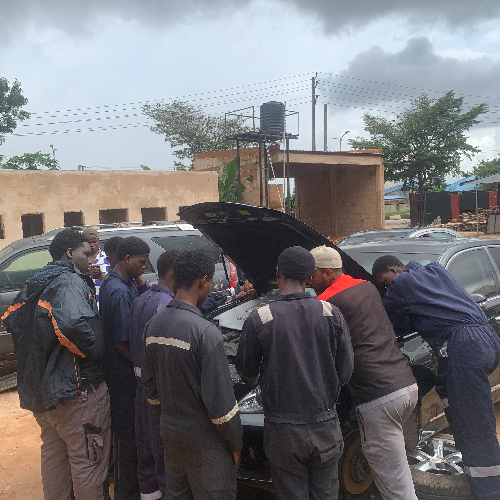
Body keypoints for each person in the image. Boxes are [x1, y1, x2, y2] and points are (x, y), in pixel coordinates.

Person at [372, 255, 500, 500]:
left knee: (475, 421)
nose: (387, 288)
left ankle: (490, 491)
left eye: (385, 282)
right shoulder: (434, 271)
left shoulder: (402, 284)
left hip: (463, 344)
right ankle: (474, 471)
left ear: (393, 271)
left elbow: (384, 318)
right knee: (456, 404)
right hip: (486, 338)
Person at [235, 246, 354, 500]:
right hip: (325, 426)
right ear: (310, 277)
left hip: (283, 432)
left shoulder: (260, 318)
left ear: (278, 272)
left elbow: (246, 371)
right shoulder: (331, 313)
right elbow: (345, 371)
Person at [2, 229, 111, 500]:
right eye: (86, 252)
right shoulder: (69, 281)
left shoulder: (37, 281)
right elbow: (72, 324)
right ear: (70, 253)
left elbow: (11, 319)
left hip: (43, 394)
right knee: (87, 463)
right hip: (76, 393)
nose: (91, 258)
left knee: (55, 458)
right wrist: (93, 354)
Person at [308, 245, 418, 500]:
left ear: (327, 273)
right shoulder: (367, 287)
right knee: (395, 467)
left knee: (394, 482)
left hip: (377, 397)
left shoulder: (326, 303)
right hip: (405, 385)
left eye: (312, 275)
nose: (309, 282)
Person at [141, 250, 242, 500]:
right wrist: (235, 443)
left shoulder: (153, 326)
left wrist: (168, 420)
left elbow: (150, 389)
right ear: (203, 281)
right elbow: (220, 406)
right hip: (206, 442)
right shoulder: (205, 333)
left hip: (170, 434)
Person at [99, 236, 151, 500]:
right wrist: (143, 367)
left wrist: (138, 278)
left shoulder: (117, 281)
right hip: (123, 376)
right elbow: (122, 343)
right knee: (127, 438)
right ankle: (126, 492)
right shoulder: (119, 292)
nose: (145, 266)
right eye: (141, 262)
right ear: (127, 258)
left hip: (120, 374)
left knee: (126, 436)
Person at [129, 250, 180, 500]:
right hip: (160, 398)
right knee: (167, 464)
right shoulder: (167, 307)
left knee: (147, 461)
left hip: (141, 392)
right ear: (173, 272)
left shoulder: (141, 300)